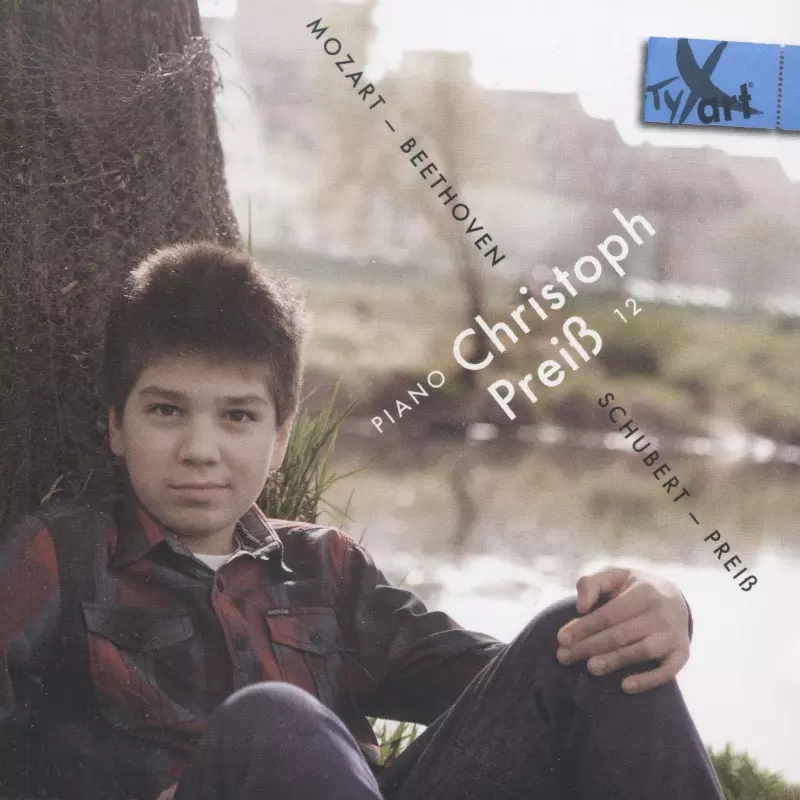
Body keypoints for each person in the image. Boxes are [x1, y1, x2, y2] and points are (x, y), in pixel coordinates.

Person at [0, 242, 724, 800]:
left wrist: (657, 607)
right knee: (273, 721)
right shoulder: (60, 556)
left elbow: (513, 690)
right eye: (166, 410)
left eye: (238, 417)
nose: (200, 450)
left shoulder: (326, 568)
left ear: (279, 439)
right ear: (116, 424)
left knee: (587, 642)